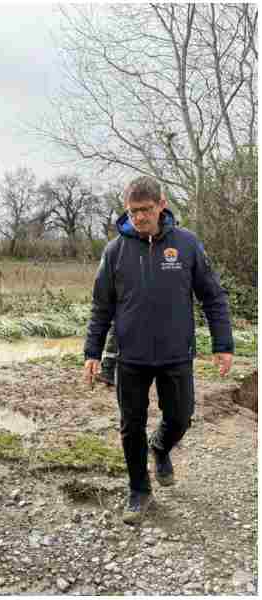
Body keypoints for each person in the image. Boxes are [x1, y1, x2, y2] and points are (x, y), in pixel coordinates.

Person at [84, 176, 233, 525]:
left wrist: (222, 344)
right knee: (129, 425)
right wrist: (92, 352)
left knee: (181, 417)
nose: (139, 217)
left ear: (161, 204)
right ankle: (139, 490)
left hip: (176, 353)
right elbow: (100, 307)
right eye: (133, 211)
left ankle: (161, 447)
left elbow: (213, 296)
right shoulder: (115, 251)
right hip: (131, 357)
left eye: (146, 210)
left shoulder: (187, 244)